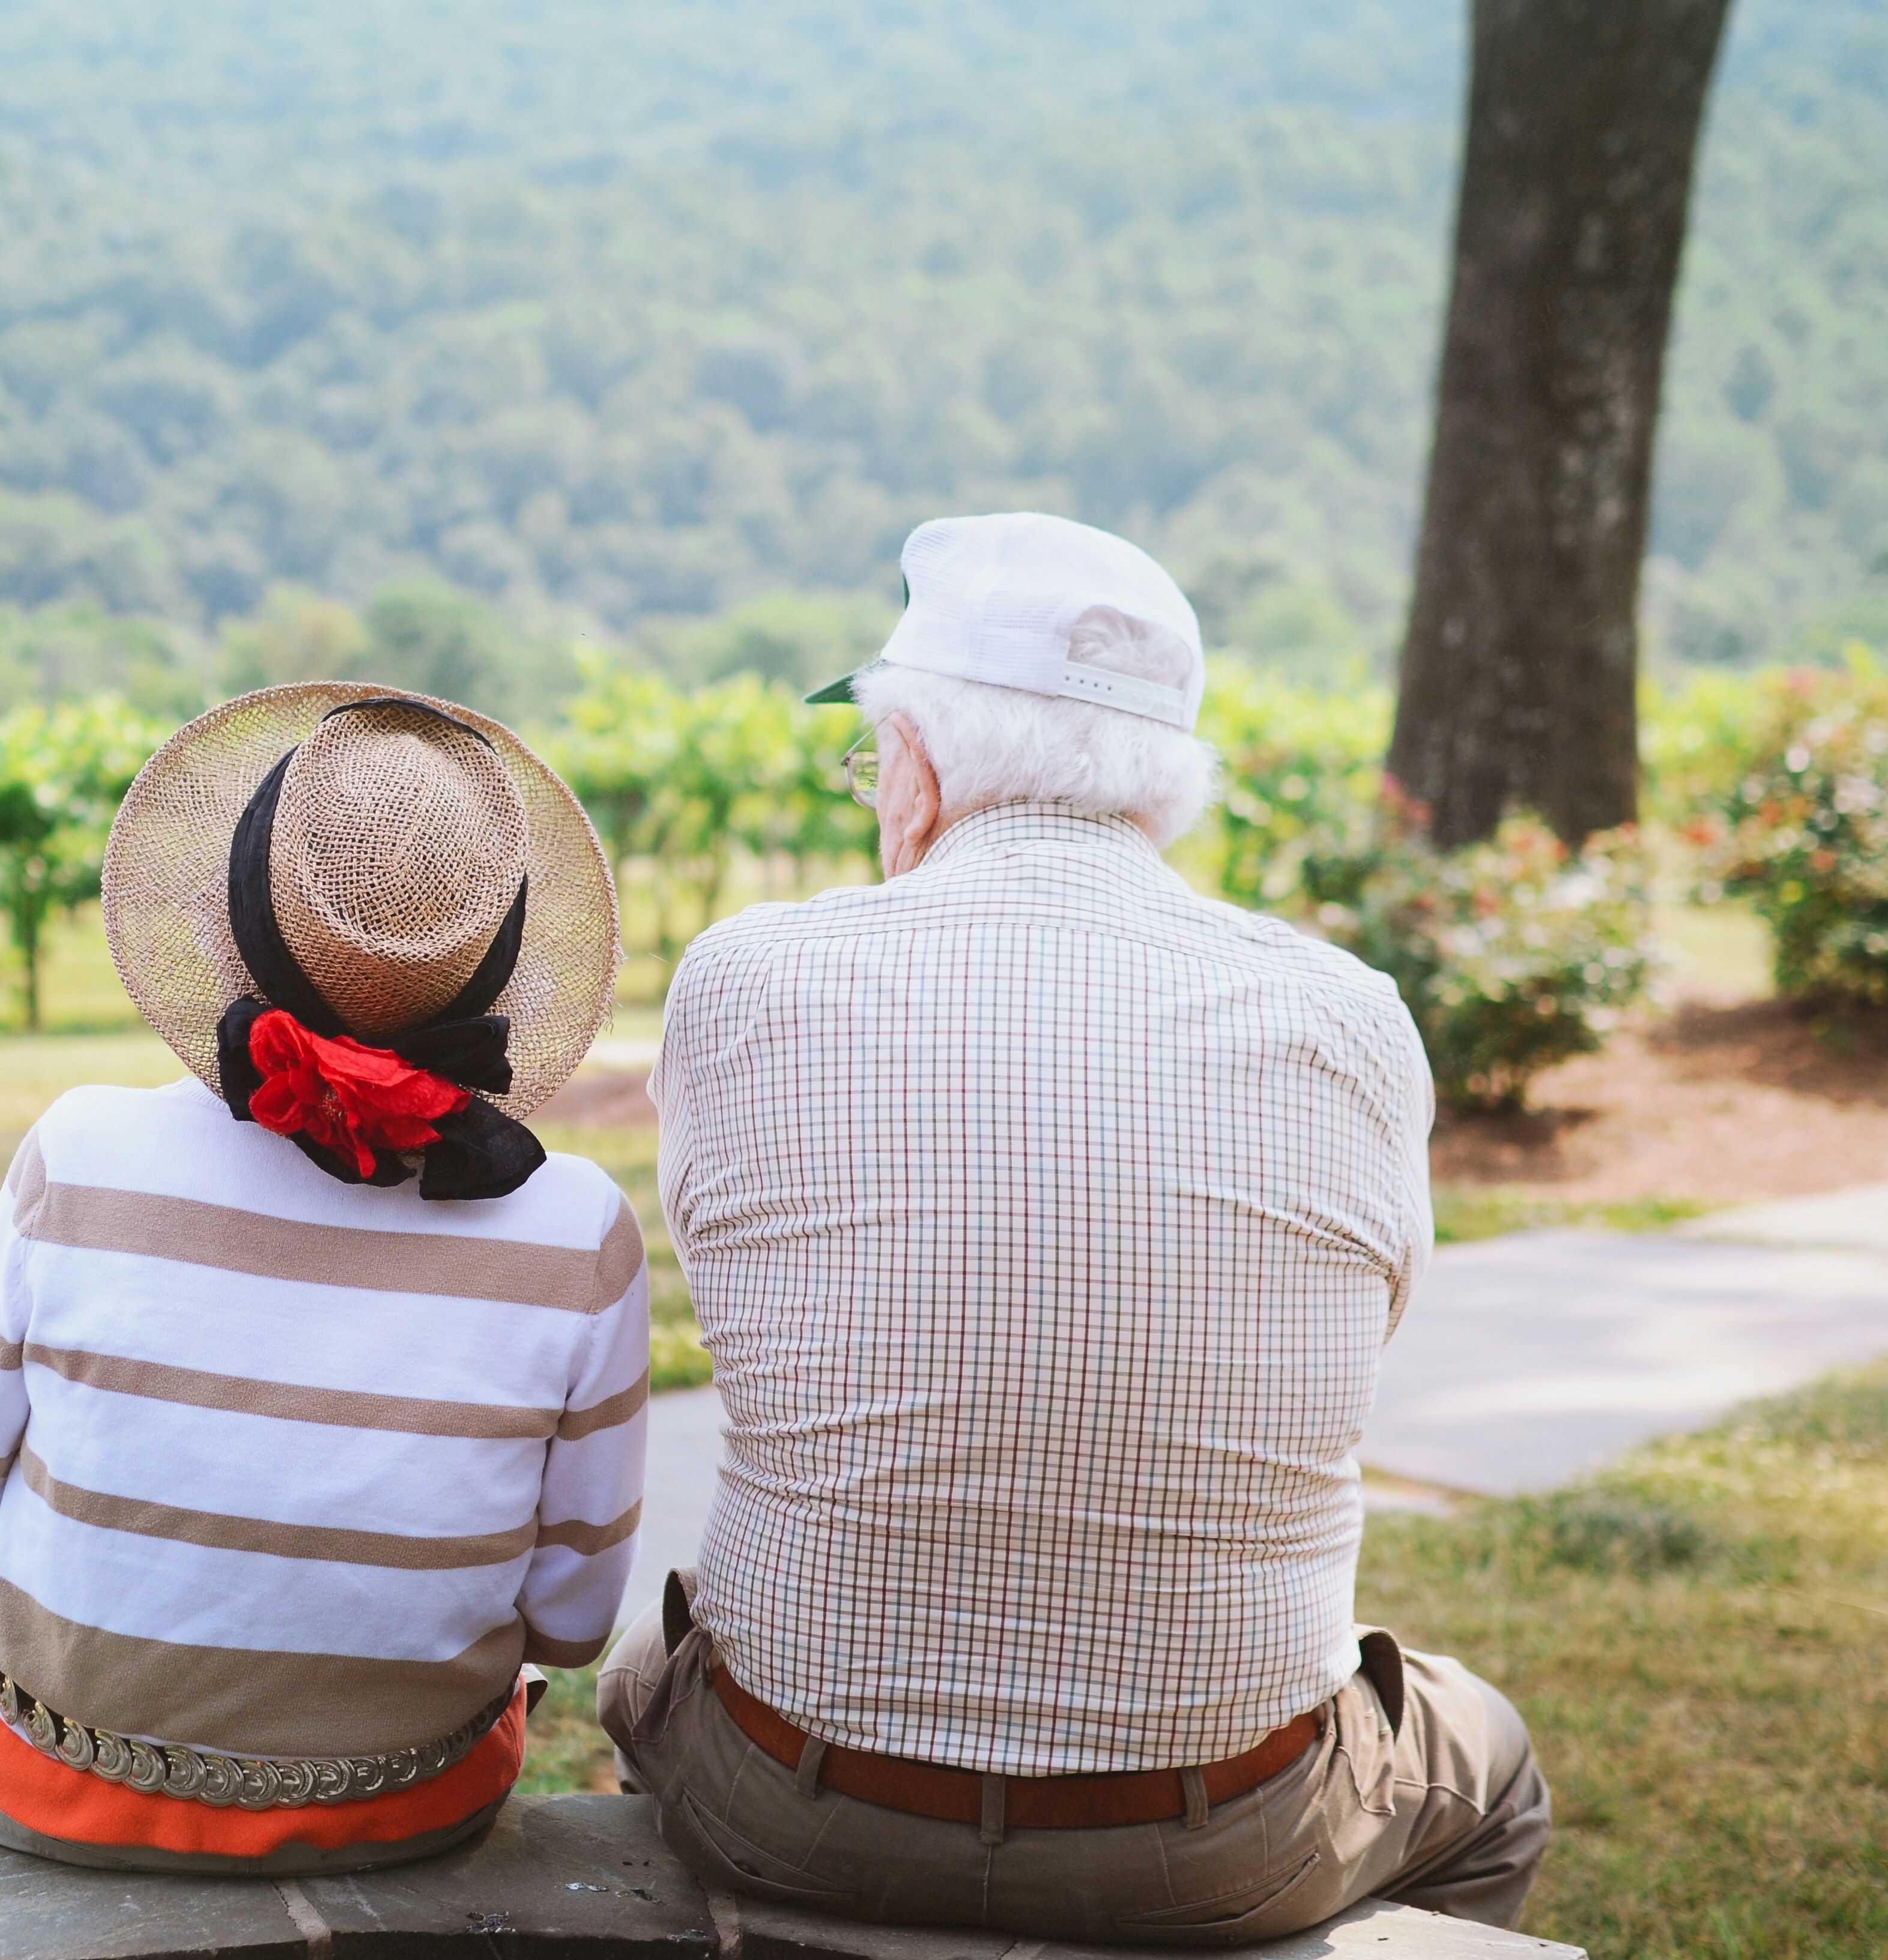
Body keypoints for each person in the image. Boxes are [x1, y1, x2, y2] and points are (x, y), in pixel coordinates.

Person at [600, 513, 1549, 1944]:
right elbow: (1372, 1319)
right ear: (1165, 783)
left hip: (789, 1803)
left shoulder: (748, 977)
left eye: (872, 755)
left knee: (641, 1675)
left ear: (914, 761)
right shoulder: (1349, 1015)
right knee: (1496, 1768)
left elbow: (739, 1278)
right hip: (1229, 1836)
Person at [0, 685, 651, 1875]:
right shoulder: (574, 1227)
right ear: (494, 964)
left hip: (52, 1782)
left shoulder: (79, 1152)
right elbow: (574, 1625)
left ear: (229, 917)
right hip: (408, 1805)